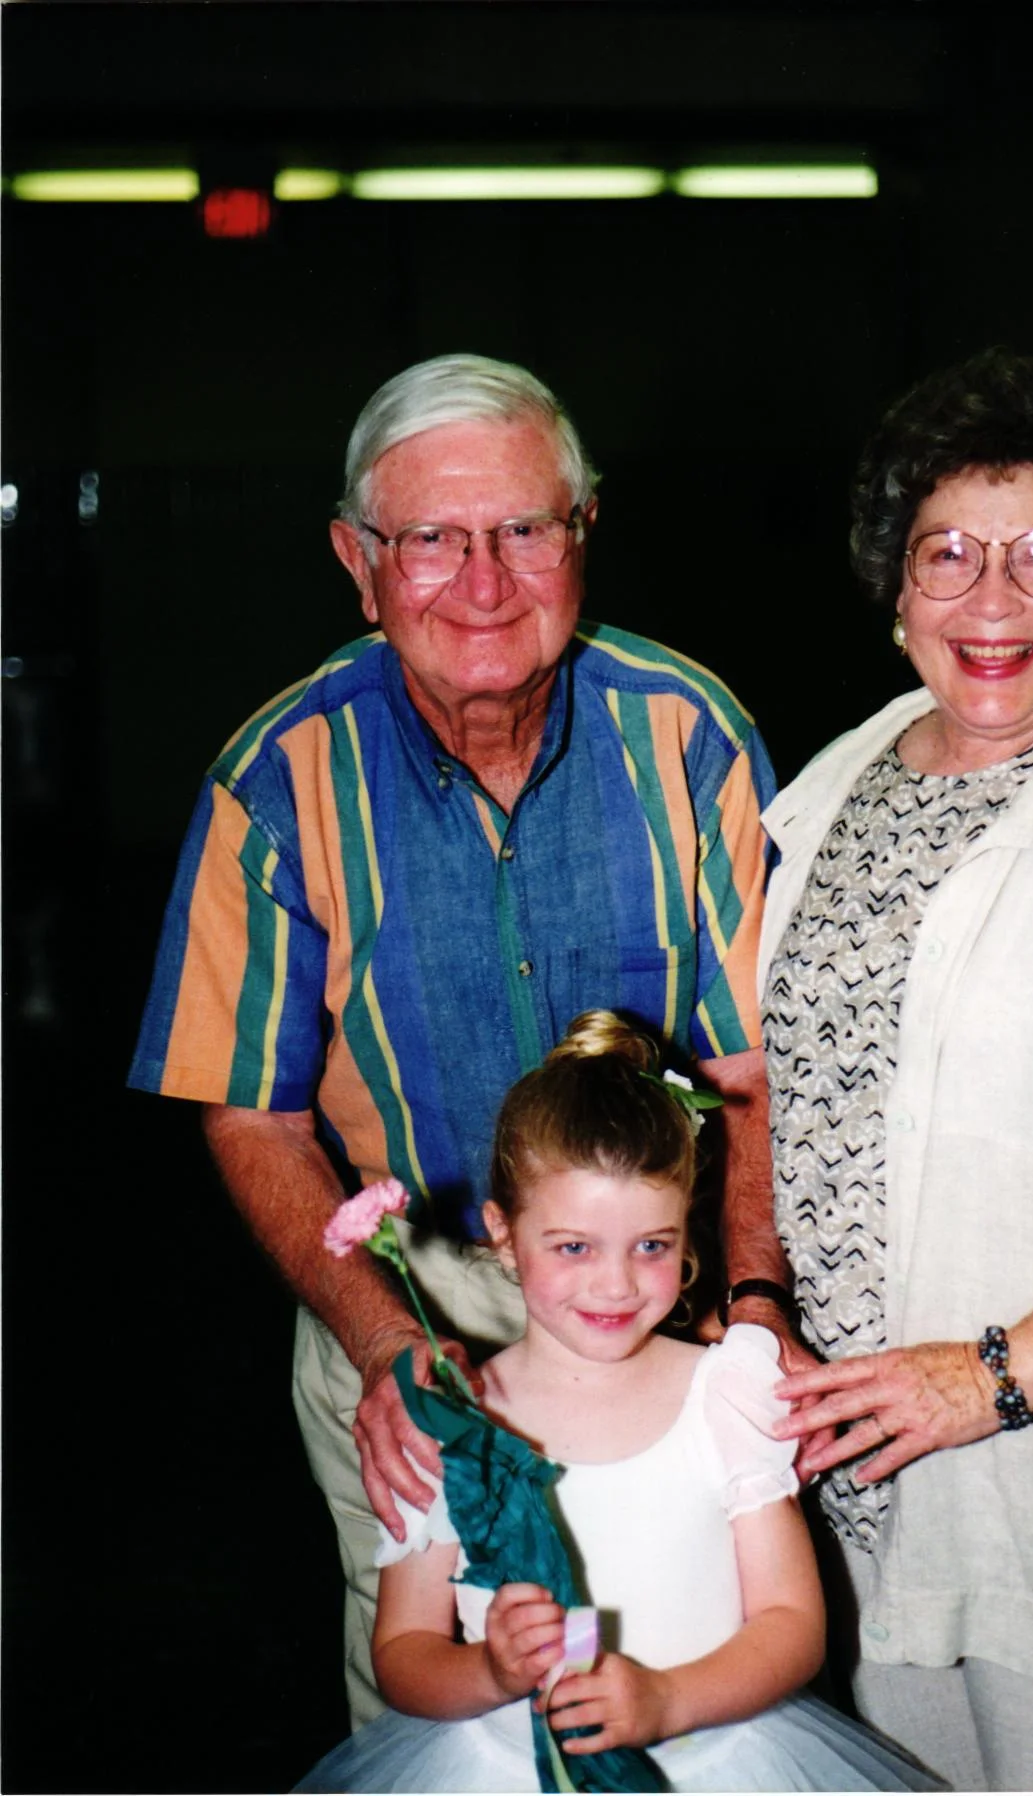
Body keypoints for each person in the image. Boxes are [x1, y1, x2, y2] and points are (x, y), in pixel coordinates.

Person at [127, 353, 793, 1727]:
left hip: (665, 1318)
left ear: (584, 531)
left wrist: (755, 1308)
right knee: (449, 1716)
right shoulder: (277, 780)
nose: (483, 584)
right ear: (358, 562)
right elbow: (252, 1111)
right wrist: (388, 1349)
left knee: (700, 1691)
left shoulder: (691, 736)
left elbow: (751, 1072)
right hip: (412, 1318)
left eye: (524, 529)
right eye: (431, 537)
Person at [740, 347, 1033, 1791]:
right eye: (948, 554)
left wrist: (991, 1378)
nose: (991, 599)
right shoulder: (827, 790)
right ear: (897, 588)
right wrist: (758, 1306)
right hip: (845, 1511)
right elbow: (770, 1093)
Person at [296, 1011, 944, 1793]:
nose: (616, 1285)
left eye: (651, 1246)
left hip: (714, 1762)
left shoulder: (724, 1392)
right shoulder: (449, 1420)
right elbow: (403, 1655)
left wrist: (668, 1698)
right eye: (573, 1247)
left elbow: (791, 1625)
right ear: (503, 1234)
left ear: (685, 1231)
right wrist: (490, 1671)